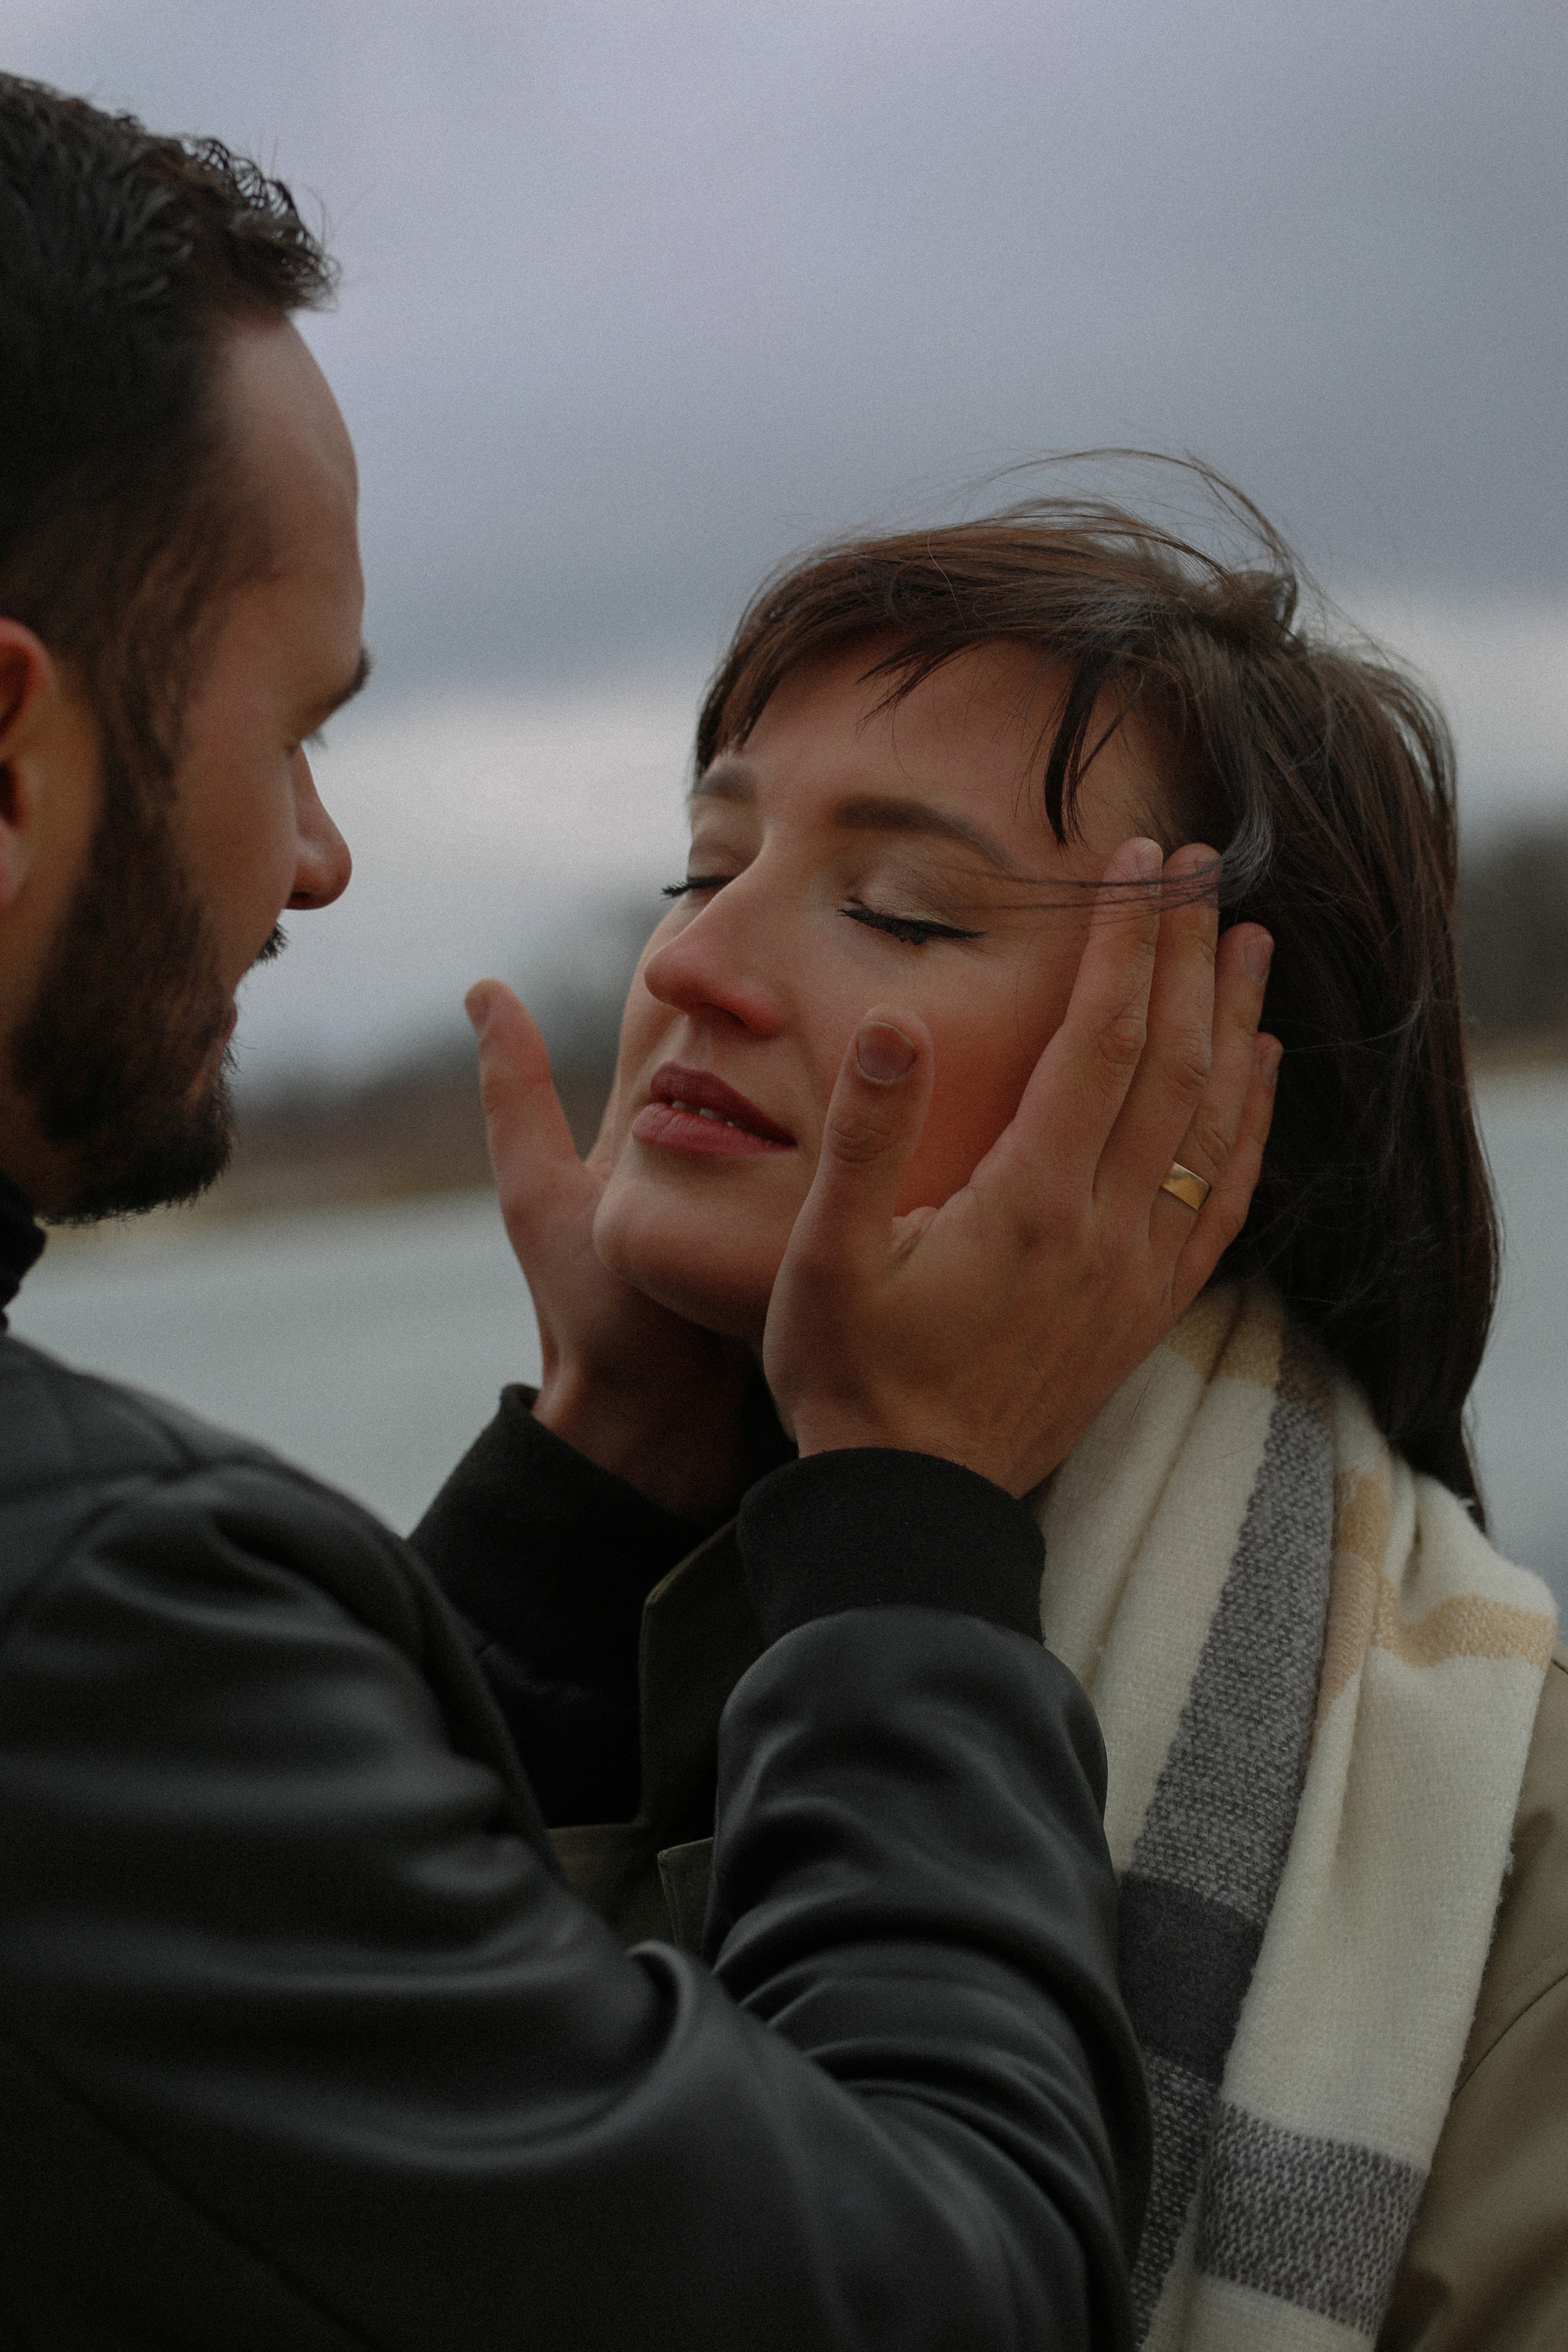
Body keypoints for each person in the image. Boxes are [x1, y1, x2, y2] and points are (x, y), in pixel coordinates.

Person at [0, 77, 1283, 2350]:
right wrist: (904, 1528)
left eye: (895, 907)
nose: (316, 854)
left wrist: (595, 1492)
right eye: (289, 733)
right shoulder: (79, 1625)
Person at [462, 492, 1568, 2352]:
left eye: (897, 909)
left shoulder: (1498, 1863)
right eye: (701, 866)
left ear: (1216, 1093)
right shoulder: (672, 1605)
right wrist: (583, 1489)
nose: (689, 968)